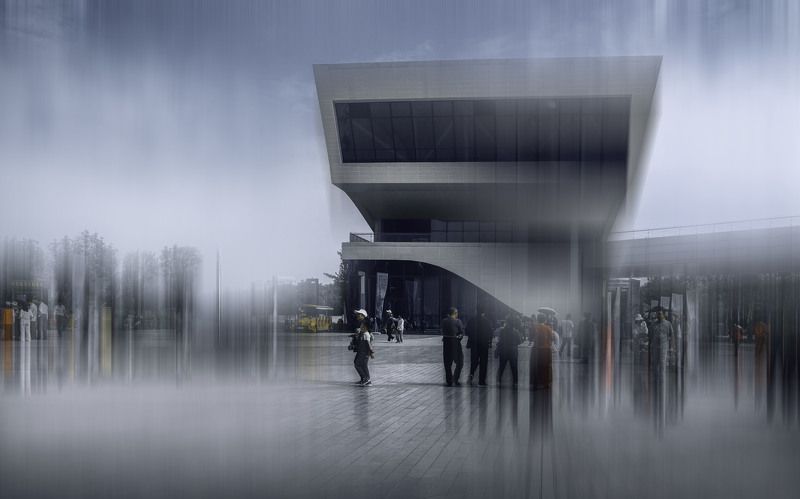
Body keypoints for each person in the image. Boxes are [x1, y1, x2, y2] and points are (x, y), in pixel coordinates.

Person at [466, 307, 493, 386]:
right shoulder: (486, 321)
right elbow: (490, 332)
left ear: (476, 311)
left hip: (474, 344)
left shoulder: (472, 320)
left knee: (474, 360)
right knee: (483, 362)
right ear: (483, 313)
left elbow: (467, 331)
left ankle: (471, 374)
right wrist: (489, 342)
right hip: (484, 344)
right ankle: (482, 381)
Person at [531, 314, 557, 389]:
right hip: (546, 350)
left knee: (535, 366)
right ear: (545, 320)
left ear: (537, 319)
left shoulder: (534, 327)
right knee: (546, 366)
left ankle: (535, 384)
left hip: (536, 349)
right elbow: (552, 338)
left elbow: (531, 337)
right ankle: (546, 383)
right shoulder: (548, 328)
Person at [440, 307, 465, 386]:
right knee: (460, 362)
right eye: (457, 313)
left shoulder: (444, 321)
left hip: (446, 343)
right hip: (455, 343)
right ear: (455, 313)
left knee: (447, 363)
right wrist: (459, 338)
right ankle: (455, 378)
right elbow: (462, 332)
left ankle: (449, 380)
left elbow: (442, 331)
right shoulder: (458, 321)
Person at [496, 315, 523, 387]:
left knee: (501, 366)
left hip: (504, 351)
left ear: (507, 322)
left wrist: (497, 350)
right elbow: (519, 342)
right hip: (513, 351)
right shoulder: (516, 332)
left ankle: (498, 380)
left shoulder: (502, 331)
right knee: (514, 368)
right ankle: (515, 382)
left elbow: (500, 341)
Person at [350, 309, 374, 386]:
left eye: (359, 314)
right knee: (360, 364)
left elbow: (368, 341)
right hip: (361, 349)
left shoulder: (366, 324)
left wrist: (371, 352)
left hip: (364, 350)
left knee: (358, 364)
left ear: (363, 316)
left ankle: (366, 379)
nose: (357, 316)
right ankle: (364, 379)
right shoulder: (362, 323)